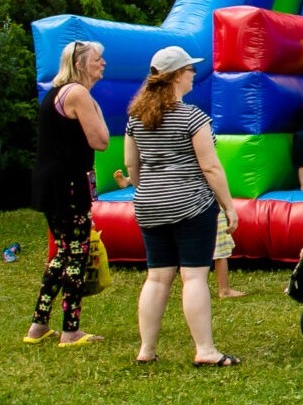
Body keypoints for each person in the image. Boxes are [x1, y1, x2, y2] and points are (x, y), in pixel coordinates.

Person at [126, 46, 240, 366]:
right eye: (190, 70)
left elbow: (131, 165)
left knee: (157, 277)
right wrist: (228, 206)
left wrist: (150, 189)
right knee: (193, 277)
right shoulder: (192, 117)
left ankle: (146, 350)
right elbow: (211, 168)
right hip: (191, 206)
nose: (193, 75)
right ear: (177, 76)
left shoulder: (135, 117)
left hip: (149, 205)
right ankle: (205, 350)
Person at [25, 40, 110, 347]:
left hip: (51, 185)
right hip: (69, 186)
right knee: (77, 255)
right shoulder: (78, 93)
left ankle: (38, 325)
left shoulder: (56, 94)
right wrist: (98, 110)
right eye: (97, 59)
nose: (102, 64)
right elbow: (100, 140)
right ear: (79, 65)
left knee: (62, 253)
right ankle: (70, 330)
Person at [114, 168, 244, 299]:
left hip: (175, 208)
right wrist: (228, 207)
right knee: (220, 254)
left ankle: (191, 288)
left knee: (185, 255)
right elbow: (212, 174)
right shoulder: (197, 161)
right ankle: (224, 289)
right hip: (205, 208)